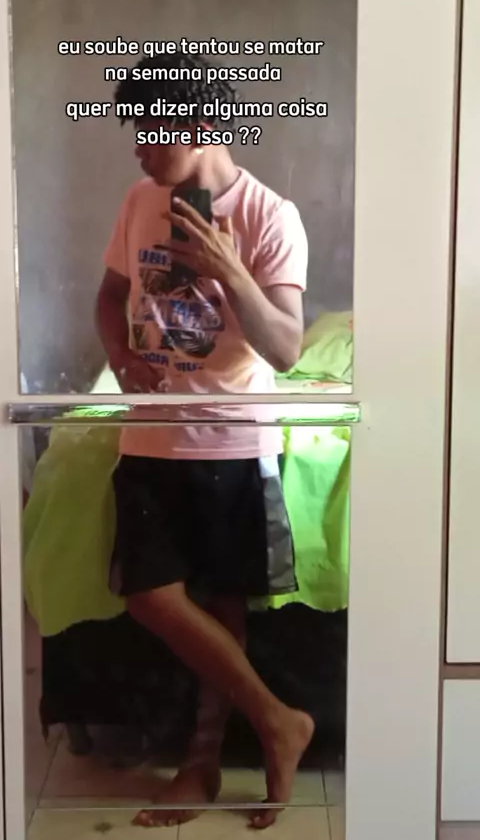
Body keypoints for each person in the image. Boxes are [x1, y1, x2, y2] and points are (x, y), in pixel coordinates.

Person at [95, 51, 313, 830]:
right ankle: (279, 719)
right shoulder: (138, 201)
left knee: (224, 603)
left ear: (202, 124)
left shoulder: (269, 215)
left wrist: (229, 269)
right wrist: (122, 359)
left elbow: (287, 349)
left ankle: (203, 763)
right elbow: (110, 298)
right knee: (148, 594)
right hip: (149, 437)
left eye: (150, 129)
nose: (138, 147)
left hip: (231, 442)